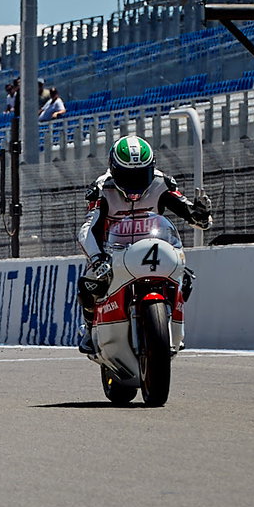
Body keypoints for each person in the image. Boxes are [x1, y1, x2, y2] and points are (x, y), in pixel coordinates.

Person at [75, 136, 212, 355]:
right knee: (89, 285)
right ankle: (90, 328)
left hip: (153, 246)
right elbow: (88, 229)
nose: (135, 183)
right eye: (127, 176)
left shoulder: (162, 183)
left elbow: (191, 215)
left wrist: (201, 215)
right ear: (114, 169)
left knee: (184, 279)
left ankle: (170, 326)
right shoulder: (102, 188)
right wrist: (97, 258)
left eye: (141, 175)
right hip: (113, 251)